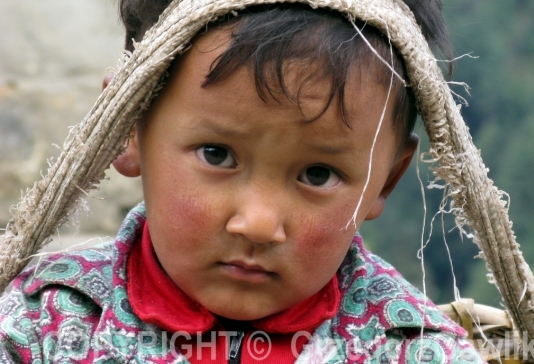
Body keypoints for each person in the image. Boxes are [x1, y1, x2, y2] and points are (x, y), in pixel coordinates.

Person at [0, 1, 484, 363]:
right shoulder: (41, 326)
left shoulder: (412, 349)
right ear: (126, 125)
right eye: (217, 155)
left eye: (318, 175)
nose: (257, 224)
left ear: (387, 181)